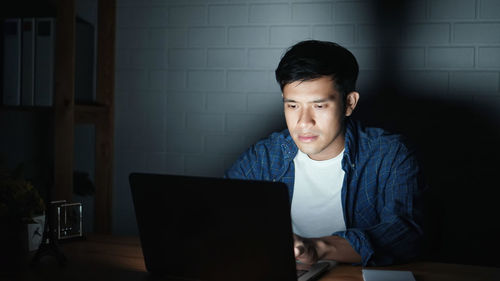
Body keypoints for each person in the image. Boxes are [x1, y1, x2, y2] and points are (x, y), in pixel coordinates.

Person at [224, 40, 424, 266]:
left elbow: (405, 234)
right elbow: (219, 212)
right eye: (292, 106)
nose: (303, 122)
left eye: (319, 106)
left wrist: (317, 248)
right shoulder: (266, 156)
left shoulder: (389, 154)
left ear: (349, 103)